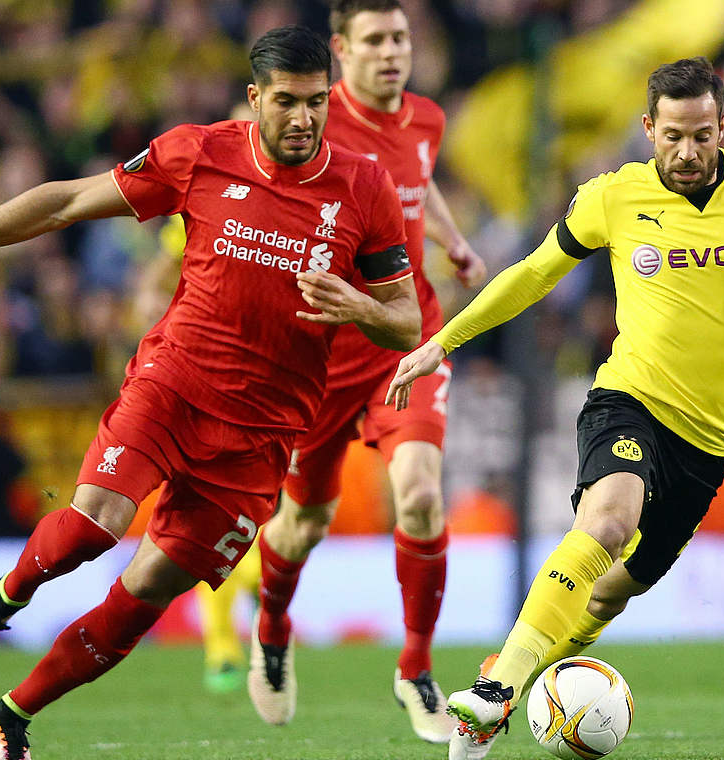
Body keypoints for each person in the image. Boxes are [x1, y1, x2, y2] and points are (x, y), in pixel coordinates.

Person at [0, 26, 420, 760]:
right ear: (255, 99)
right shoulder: (199, 152)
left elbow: (404, 322)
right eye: (287, 102)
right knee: (95, 525)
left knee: (146, 591)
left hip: (263, 433)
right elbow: (65, 203)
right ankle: (0, 600)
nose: (304, 119)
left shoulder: (364, 187)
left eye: (317, 103)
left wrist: (360, 308)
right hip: (175, 383)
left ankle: (11, 716)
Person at [388, 57, 724, 760]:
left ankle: (503, 681)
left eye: (703, 135)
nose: (688, 152)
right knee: (608, 522)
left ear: (723, 127)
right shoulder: (613, 196)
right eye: (673, 135)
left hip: (709, 443)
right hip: (629, 401)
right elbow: (531, 275)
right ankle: (499, 692)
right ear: (648, 129)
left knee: (609, 597)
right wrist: (443, 341)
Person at [233, 0, 486, 743]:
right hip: (322, 354)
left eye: (400, 38)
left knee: (420, 496)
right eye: (374, 40)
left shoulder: (428, 119)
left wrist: (452, 238)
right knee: (305, 521)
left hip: (408, 339)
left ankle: (415, 669)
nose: (390, 53)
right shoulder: (309, 123)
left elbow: (419, 178)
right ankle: (273, 633)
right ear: (341, 50)